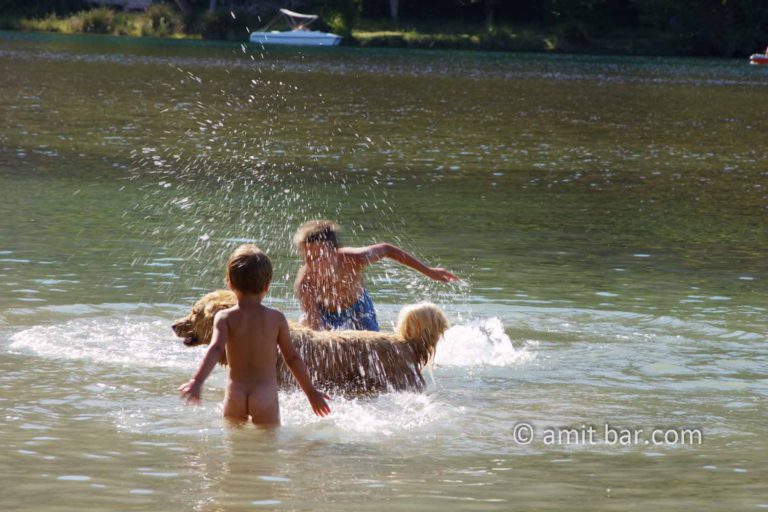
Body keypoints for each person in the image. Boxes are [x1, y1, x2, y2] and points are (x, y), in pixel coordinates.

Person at [179, 244, 330, 426]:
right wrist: (311, 393)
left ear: (228, 282)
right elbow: (292, 358)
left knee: (234, 440)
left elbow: (215, 350)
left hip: (235, 393)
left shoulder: (224, 317)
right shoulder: (276, 318)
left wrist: (196, 381)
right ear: (267, 285)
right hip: (264, 395)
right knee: (268, 440)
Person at [293, 220, 460, 331]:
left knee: (374, 347)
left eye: (318, 256)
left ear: (335, 251)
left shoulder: (354, 259)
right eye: (307, 257)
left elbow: (386, 249)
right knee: (308, 327)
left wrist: (429, 272)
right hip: (326, 314)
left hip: (358, 307)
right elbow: (315, 323)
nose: (312, 262)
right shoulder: (305, 282)